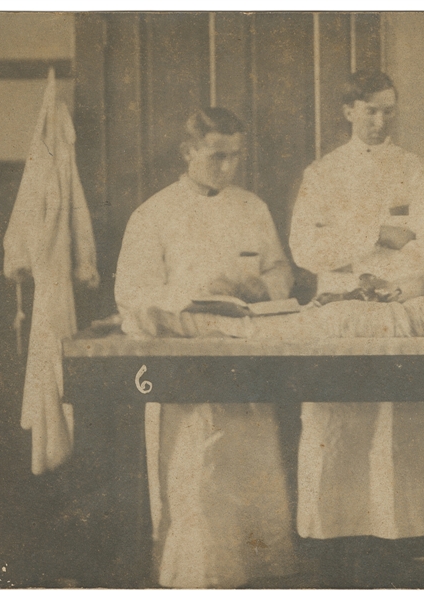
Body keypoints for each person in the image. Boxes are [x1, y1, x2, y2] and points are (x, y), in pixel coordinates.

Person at [115, 107, 296, 588]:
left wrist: (266, 288)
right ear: (188, 152)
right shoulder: (153, 214)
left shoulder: (252, 207)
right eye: (217, 156)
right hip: (186, 366)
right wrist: (196, 293)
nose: (228, 168)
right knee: (197, 477)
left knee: (252, 473)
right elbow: (132, 295)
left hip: (247, 362)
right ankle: (197, 581)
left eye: (235, 157)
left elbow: (280, 270)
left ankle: (259, 579)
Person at [288, 70, 424, 580]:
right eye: (370, 110)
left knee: (398, 426)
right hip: (338, 313)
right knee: (337, 424)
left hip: (398, 311)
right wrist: (375, 234)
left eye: (388, 111)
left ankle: (402, 541)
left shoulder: (418, 171)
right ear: (349, 110)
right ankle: (333, 539)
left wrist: (382, 264)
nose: (380, 121)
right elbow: (307, 250)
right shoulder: (322, 174)